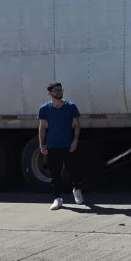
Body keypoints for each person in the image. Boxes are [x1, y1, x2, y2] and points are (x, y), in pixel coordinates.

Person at [39, 82, 84, 210]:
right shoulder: (44, 108)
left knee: (74, 171)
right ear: (50, 93)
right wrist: (41, 144)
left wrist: (75, 140)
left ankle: (77, 190)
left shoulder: (71, 106)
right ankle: (57, 198)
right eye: (56, 90)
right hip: (52, 146)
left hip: (68, 145)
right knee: (54, 174)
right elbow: (42, 128)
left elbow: (76, 125)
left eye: (60, 90)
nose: (59, 92)